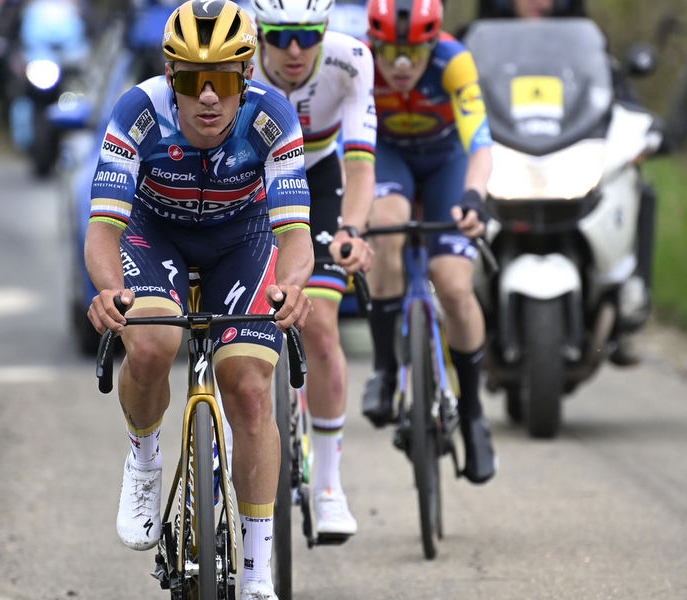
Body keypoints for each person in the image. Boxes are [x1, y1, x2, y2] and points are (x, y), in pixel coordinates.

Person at [83, 2, 313, 598]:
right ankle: (144, 458)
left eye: (224, 82)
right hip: (154, 234)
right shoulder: (137, 112)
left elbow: (294, 236)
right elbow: (103, 232)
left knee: (250, 388)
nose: (208, 98)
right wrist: (110, 291)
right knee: (154, 342)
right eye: (190, 81)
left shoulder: (273, 117)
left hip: (243, 239)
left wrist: (291, 287)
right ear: (169, 77)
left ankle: (259, 573)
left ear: (248, 79)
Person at [249, 0, 377, 541]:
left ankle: (328, 485)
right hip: (248, 177)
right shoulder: (235, 58)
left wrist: (352, 228)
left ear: (325, 29)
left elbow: (360, 159)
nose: (295, 50)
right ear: (258, 34)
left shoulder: (350, 61)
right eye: (279, 36)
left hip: (317, 174)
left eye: (306, 35)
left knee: (321, 325)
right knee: (240, 319)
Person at [464, 0, 654, 366]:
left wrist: (643, 128)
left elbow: (619, 99)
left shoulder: (585, 45)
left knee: (636, 185)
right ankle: (421, 309)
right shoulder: (471, 46)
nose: (539, 1)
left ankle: (632, 296)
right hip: (503, 158)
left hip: (566, 162)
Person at [361, 0, 496, 484]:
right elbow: (347, 142)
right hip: (389, 158)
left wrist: (475, 198)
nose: (401, 66)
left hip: (446, 162)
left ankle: (475, 414)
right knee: (387, 222)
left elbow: (479, 142)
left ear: (432, 43)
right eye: (390, 52)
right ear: (373, 43)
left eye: (413, 52)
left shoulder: (453, 61)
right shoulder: (357, 62)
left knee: (454, 285)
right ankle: (382, 369)